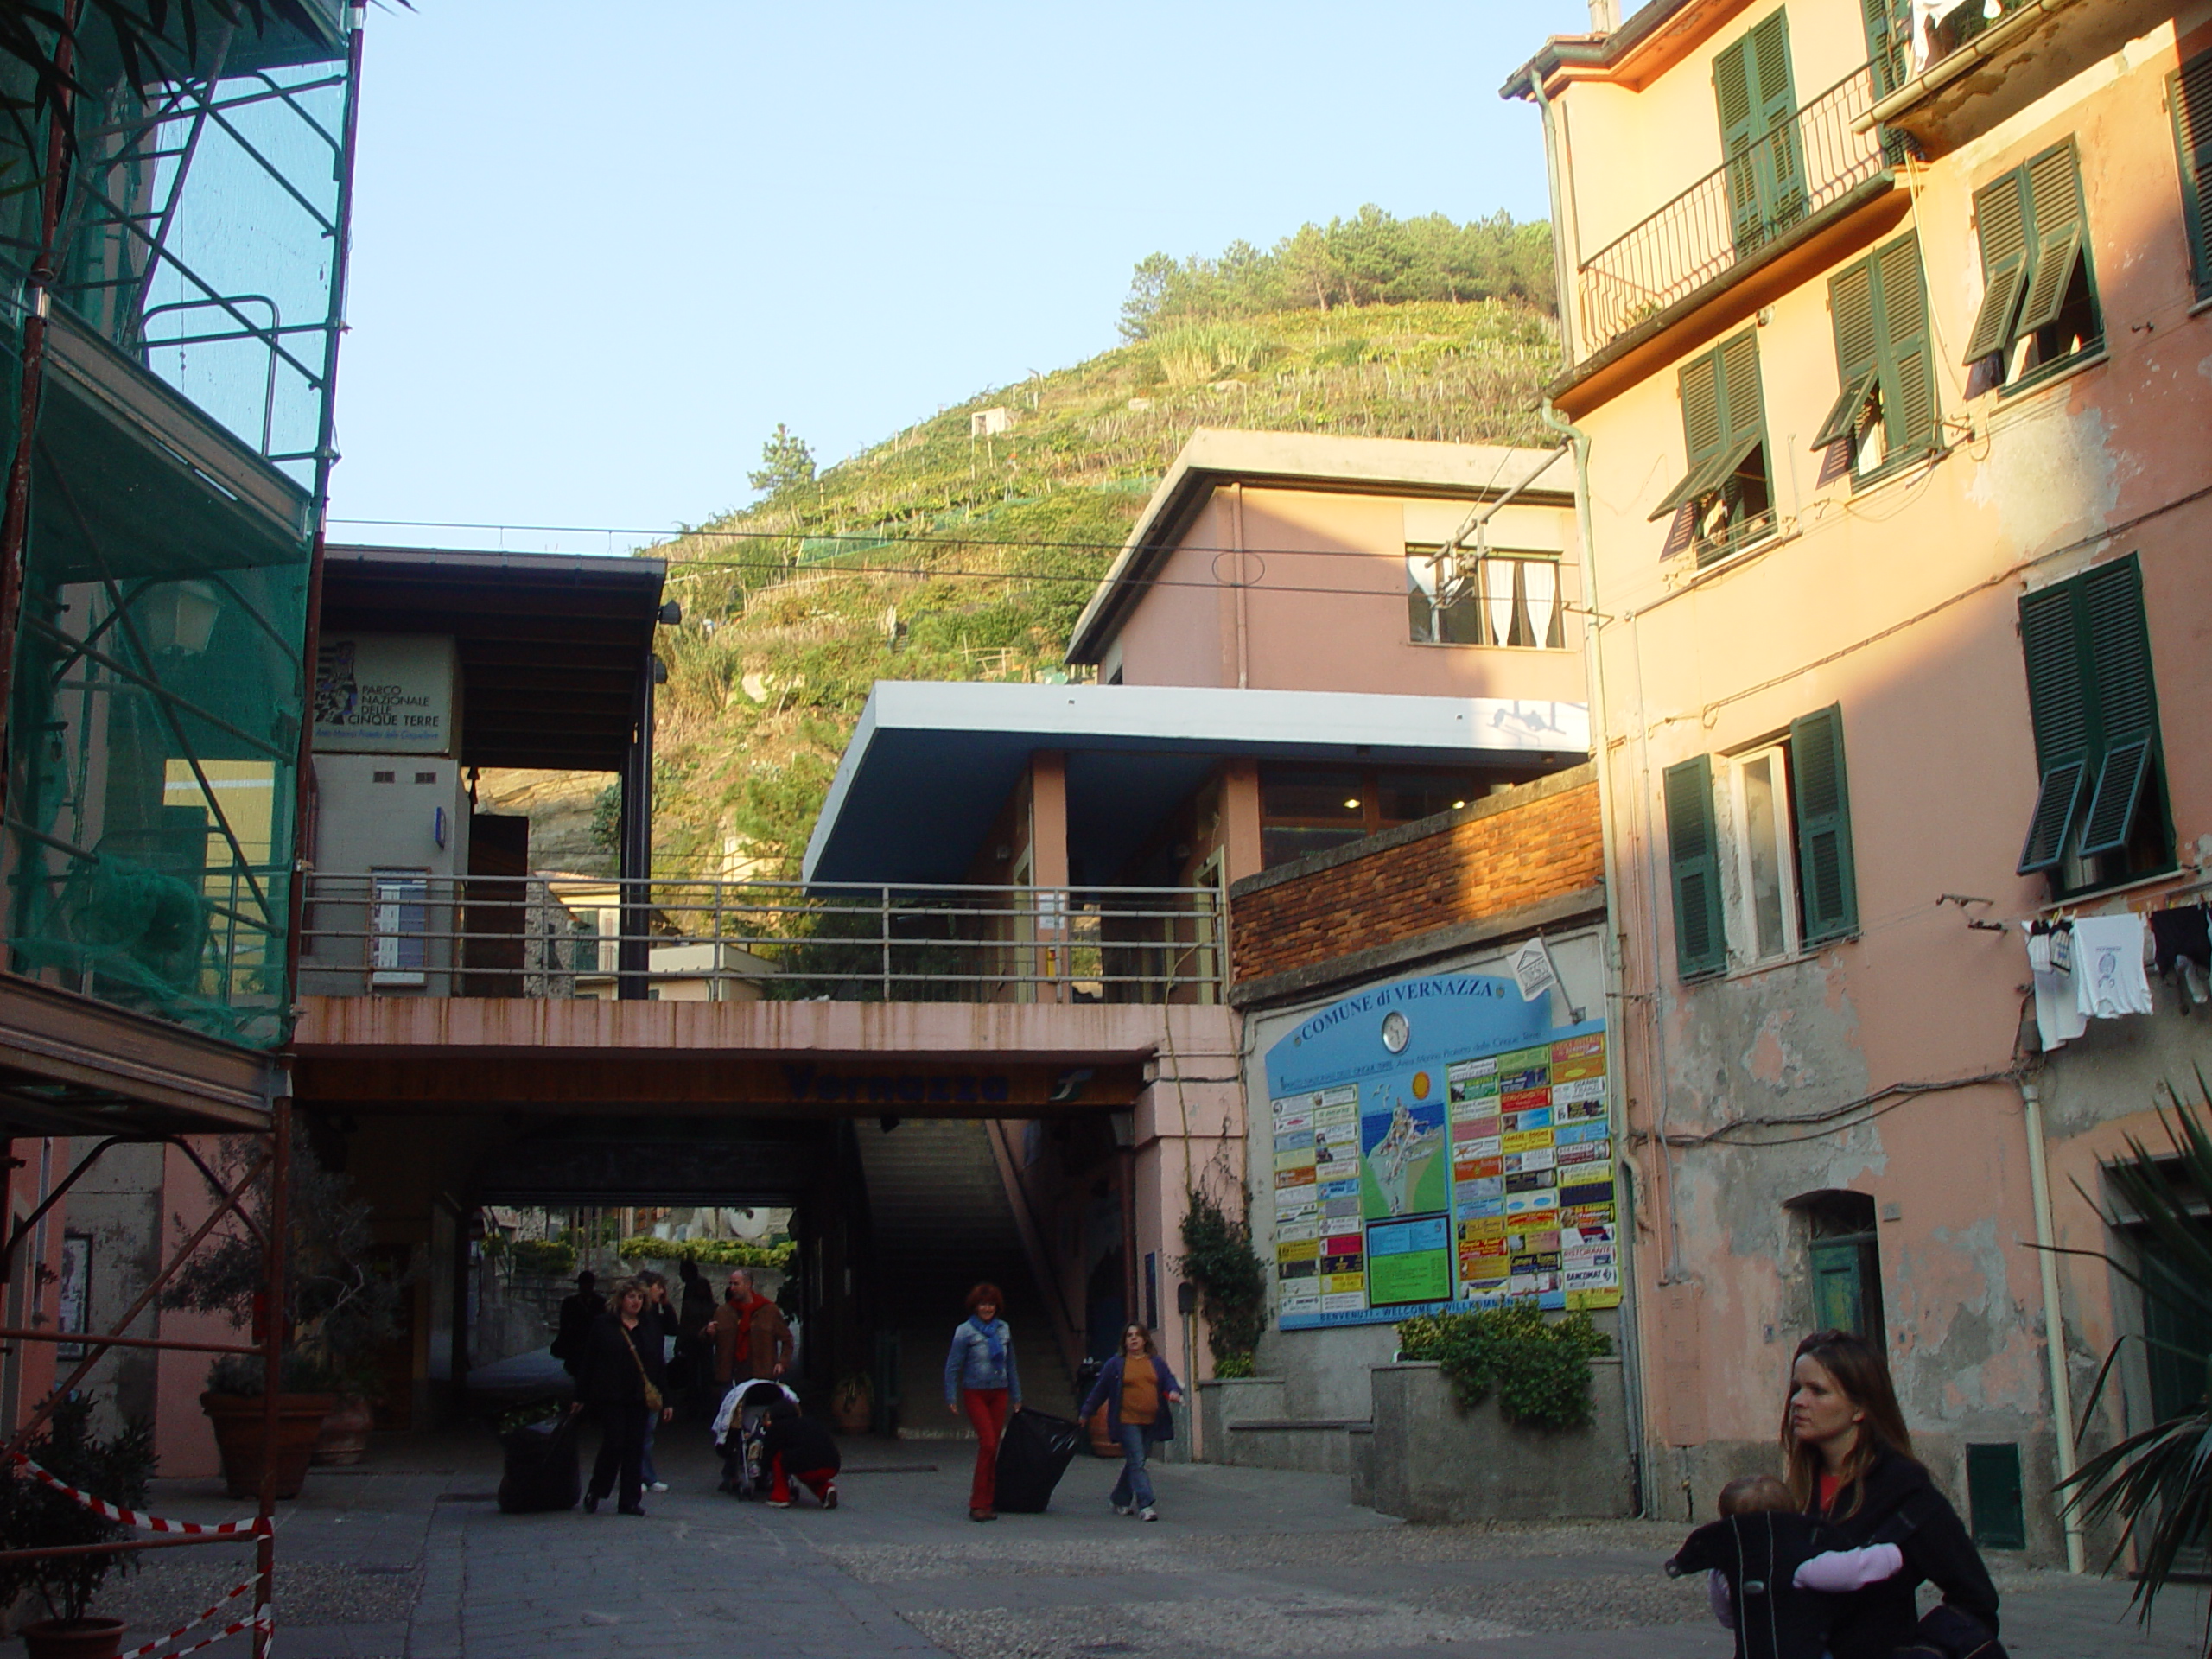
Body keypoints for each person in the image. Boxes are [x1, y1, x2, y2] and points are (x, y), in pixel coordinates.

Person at [1783, 1329, 2000, 1659]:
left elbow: (1976, 1599)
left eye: (1818, 1391)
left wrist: (1926, 1651)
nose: (1799, 1401)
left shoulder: (1903, 1489)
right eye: (1797, 1388)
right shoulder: (1797, 1487)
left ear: (1859, 1408)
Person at [1698, 1474, 1909, 1640]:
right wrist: (1892, 1553)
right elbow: (1855, 1569)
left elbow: (1726, 1617)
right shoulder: (1798, 1561)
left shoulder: (1723, 1567)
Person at [569, 1277, 671, 1517]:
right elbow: (589, 1361)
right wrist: (580, 1395)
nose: (635, 1302)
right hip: (611, 1394)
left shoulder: (650, 1325)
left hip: (639, 1396)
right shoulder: (604, 1325)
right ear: (621, 1299)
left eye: (640, 1297)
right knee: (614, 1444)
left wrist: (667, 1398)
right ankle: (598, 1489)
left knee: (635, 1447)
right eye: (631, 1297)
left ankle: (629, 1500)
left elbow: (658, 1364)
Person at [1078, 1322, 1183, 1522]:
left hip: (1151, 1420)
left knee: (1137, 1461)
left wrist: (1174, 1391)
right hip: (1127, 1420)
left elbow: (1168, 1380)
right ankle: (1146, 1505)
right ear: (1124, 1342)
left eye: (1137, 1335)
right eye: (1129, 1336)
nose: (1133, 1339)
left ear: (1145, 1339)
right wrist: (1085, 1413)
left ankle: (1119, 1498)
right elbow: (1099, 1391)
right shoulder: (1116, 1364)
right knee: (1137, 1461)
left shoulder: (1156, 1363)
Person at [944, 1282, 1020, 1523]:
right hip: (975, 1392)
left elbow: (1011, 1365)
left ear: (997, 1306)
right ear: (975, 1307)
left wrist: (1017, 1396)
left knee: (993, 1447)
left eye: (991, 1304)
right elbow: (953, 1366)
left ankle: (988, 1501)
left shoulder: (1004, 1330)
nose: (987, 1308)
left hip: (1000, 1392)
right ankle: (978, 1503)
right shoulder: (964, 1332)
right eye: (982, 1304)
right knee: (987, 1443)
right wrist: (950, 1396)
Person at [711, 1268, 792, 1394]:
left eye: (736, 1284)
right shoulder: (724, 1312)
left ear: (748, 1285)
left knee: (761, 1411)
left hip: (762, 1375)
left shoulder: (768, 1310)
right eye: (730, 1284)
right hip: (732, 1378)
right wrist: (707, 1332)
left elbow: (787, 1339)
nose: (732, 1288)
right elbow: (709, 1340)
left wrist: (782, 1363)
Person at [635, 1269, 680, 1494]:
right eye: (658, 1287)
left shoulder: (655, 1316)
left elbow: (673, 1329)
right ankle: (637, 1474)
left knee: (647, 1433)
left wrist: (667, 1304)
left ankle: (647, 1475)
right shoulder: (638, 1318)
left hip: (653, 1379)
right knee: (637, 1432)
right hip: (637, 1381)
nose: (661, 1291)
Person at [759, 1400, 841, 1510]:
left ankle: (780, 1497)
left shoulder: (776, 1428)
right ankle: (826, 1490)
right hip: (832, 1465)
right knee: (809, 1471)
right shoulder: (811, 1421)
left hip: (806, 1466)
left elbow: (769, 1455)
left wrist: (762, 1471)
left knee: (779, 1456)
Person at [677, 1259, 717, 1411]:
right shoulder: (704, 1300)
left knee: (697, 1372)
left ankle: (697, 1402)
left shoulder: (692, 1296)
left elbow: (685, 1319)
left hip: (696, 1338)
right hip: (699, 1339)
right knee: (701, 1372)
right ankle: (701, 1402)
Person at [550, 1269, 597, 1379]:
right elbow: (564, 1324)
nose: (584, 1287)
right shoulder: (570, 1303)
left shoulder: (600, 1303)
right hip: (575, 1343)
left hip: (593, 1343)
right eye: (582, 1284)